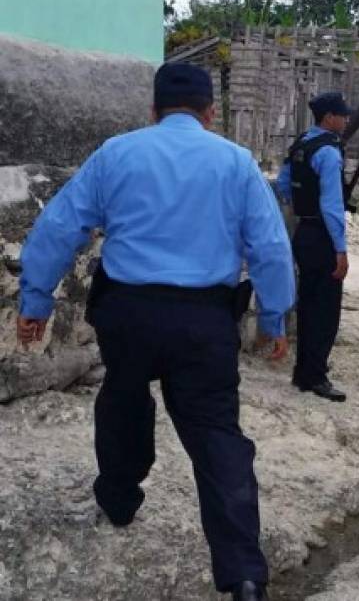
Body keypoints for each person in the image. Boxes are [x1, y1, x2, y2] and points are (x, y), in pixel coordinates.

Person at [16, 63, 295, 601]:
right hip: (205, 322)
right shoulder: (236, 163)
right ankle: (242, 576)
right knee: (218, 439)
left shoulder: (117, 152)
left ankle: (119, 498)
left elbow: (60, 225)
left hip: (129, 314)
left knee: (123, 399)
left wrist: (36, 299)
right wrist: (274, 317)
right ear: (210, 112)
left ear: (153, 110)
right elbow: (271, 247)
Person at [276, 92, 352, 403]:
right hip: (322, 235)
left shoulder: (301, 144)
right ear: (329, 117)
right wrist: (341, 248)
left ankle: (303, 369)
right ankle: (315, 375)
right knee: (325, 310)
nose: (346, 120)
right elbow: (333, 204)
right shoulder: (329, 153)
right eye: (342, 115)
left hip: (303, 231)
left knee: (307, 304)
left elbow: (283, 185)